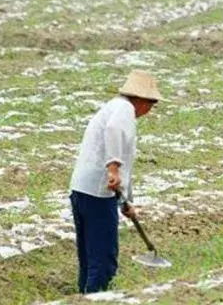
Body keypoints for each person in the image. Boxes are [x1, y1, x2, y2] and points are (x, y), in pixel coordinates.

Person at [69, 70, 162, 293]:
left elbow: (122, 160)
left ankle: (83, 300)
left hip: (82, 189)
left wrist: (126, 202)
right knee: (103, 261)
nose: (149, 111)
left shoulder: (113, 106)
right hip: (98, 194)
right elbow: (113, 133)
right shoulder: (124, 109)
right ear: (142, 100)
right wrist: (113, 168)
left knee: (90, 257)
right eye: (151, 105)